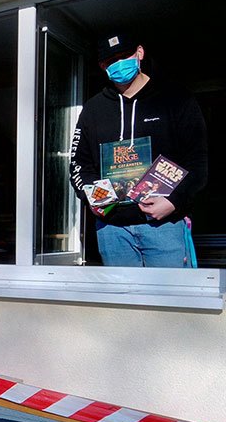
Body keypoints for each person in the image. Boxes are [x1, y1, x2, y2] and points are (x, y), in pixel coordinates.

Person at [69, 32, 208, 267]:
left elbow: (197, 161)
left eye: (125, 56)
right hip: (112, 230)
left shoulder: (176, 98)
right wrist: (94, 198)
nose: (119, 63)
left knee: (170, 300)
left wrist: (174, 201)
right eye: (111, 60)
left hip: (165, 225)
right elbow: (78, 163)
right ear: (103, 66)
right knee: (123, 302)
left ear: (139, 53)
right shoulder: (93, 109)